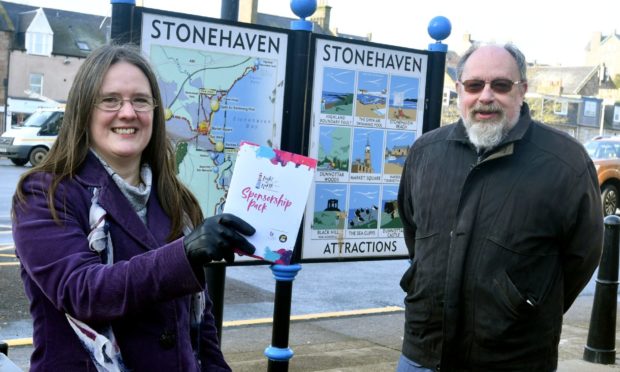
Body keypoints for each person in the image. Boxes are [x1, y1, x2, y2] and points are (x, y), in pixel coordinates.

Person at [11, 44, 256, 371]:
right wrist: (185, 254)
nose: (127, 112)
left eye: (140, 100)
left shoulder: (176, 199)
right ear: (84, 110)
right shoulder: (46, 193)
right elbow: (83, 292)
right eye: (110, 99)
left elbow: (199, 322)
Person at [396, 43, 604, 371]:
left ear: (522, 90)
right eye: (475, 85)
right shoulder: (426, 152)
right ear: (459, 90)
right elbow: (414, 232)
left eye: (501, 85)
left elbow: (583, 255)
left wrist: (523, 303)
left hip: (514, 357)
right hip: (424, 351)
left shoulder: (565, 161)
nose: (486, 96)